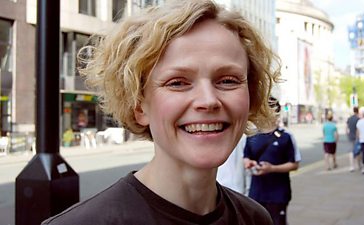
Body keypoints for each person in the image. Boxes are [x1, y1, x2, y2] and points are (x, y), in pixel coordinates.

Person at [42, 0, 280, 224]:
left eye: (228, 80)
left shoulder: (255, 218)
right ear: (138, 106)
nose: (208, 101)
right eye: (177, 82)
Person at [243, 98, 301, 225]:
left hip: (278, 193)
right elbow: (246, 157)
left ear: (276, 112)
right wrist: (249, 163)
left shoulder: (286, 136)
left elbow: (295, 164)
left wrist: (272, 169)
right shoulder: (253, 136)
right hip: (256, 193)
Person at [347, 107, 361, 172]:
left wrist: (348, 134)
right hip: (357, 137)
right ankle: (358, 165)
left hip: (350, 136)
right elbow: (358, 129)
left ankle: (351, 166)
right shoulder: (358, 119)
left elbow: (346, 128)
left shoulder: (349, 119)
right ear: (358, 111)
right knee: (358, 151)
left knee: (351, 151)